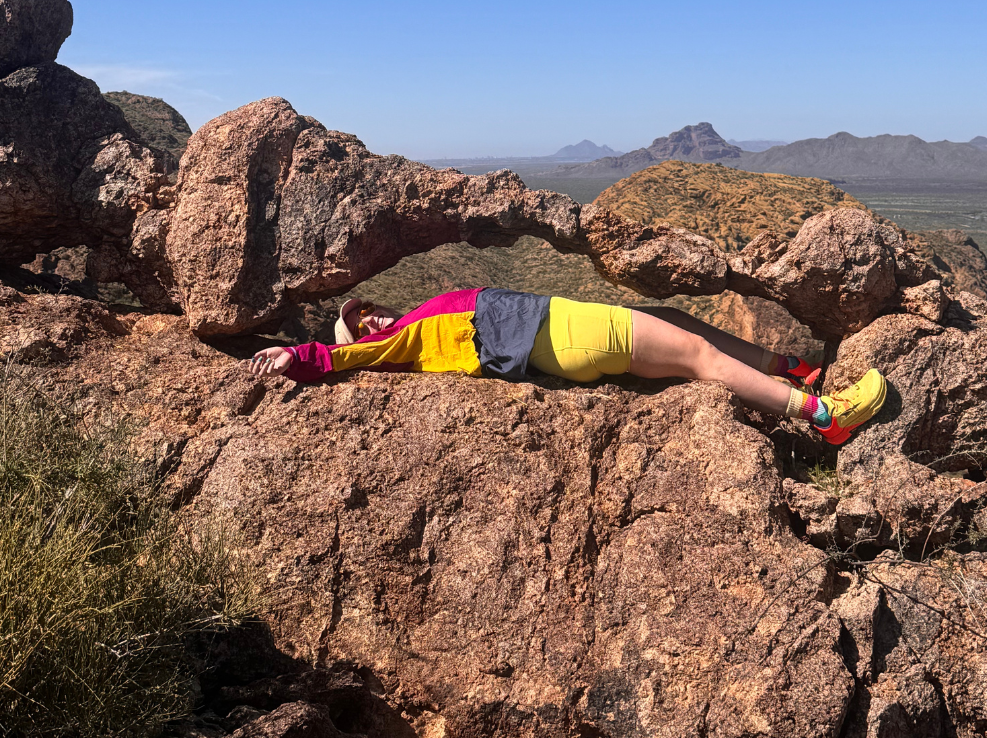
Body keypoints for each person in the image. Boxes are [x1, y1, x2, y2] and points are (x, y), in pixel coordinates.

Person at [248, 288, 886, 446]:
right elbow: (342, 357)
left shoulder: (418, 314)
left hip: (559, 325)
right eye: (362, 326)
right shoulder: (407, 340)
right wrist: (299, 358)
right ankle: (825, 415)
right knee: (699, 358)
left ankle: (796, 369)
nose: (373, 323)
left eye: (370, 314)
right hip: (557, 334)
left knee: (676, 322)